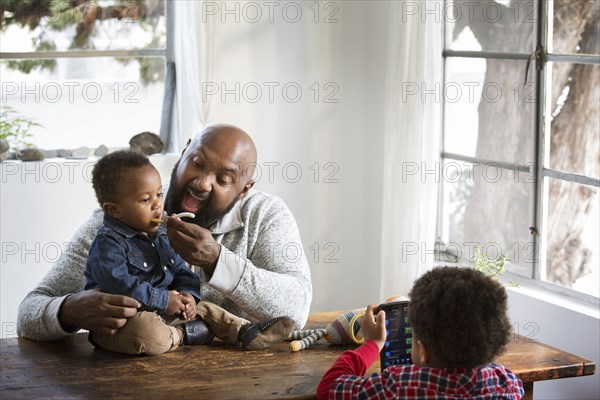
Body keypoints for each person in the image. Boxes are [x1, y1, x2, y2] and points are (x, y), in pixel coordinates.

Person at [17, 124, 311, 348]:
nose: (203, 183)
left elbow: (295, 311)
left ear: (245, 188)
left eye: (224, 179)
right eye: (197, 162)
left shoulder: (265, 215)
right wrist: (69, 310)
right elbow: (28, 314)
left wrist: (217, 261)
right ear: (183, 152)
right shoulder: (113, 223)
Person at [317, 266, 524, 400]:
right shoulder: (506, 382)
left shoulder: (399, 384)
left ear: (422, 349)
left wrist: (374, 343)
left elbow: (329, 388)